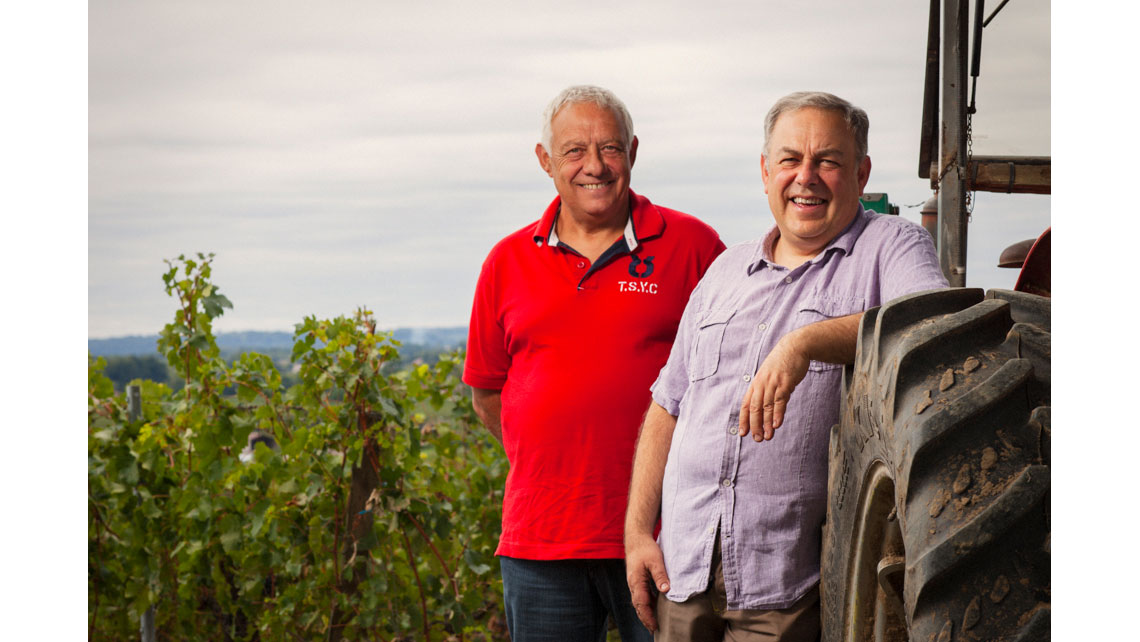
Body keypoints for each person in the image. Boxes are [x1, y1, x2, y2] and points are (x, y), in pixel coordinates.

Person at [624, 91, 949, 641]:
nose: (807, 177)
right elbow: (668, 405)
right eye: (790, 160)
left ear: (861, 171)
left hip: (785, 584)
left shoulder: (891, 245)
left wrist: (804, 343)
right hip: (685, 569)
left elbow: (927, 322)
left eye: (828, 161)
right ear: (765, 170)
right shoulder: (727, 269)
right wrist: (636, 531)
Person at [463, 85, 726, 642]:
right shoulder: (506, 262)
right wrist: (553, 467)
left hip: (667, 537)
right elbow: (488, 391)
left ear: (632, 151)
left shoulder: (693, 246)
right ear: (546, 161)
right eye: (575, 151)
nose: (595, 166)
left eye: (609, 148)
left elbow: (728, 378)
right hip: (542, 541)